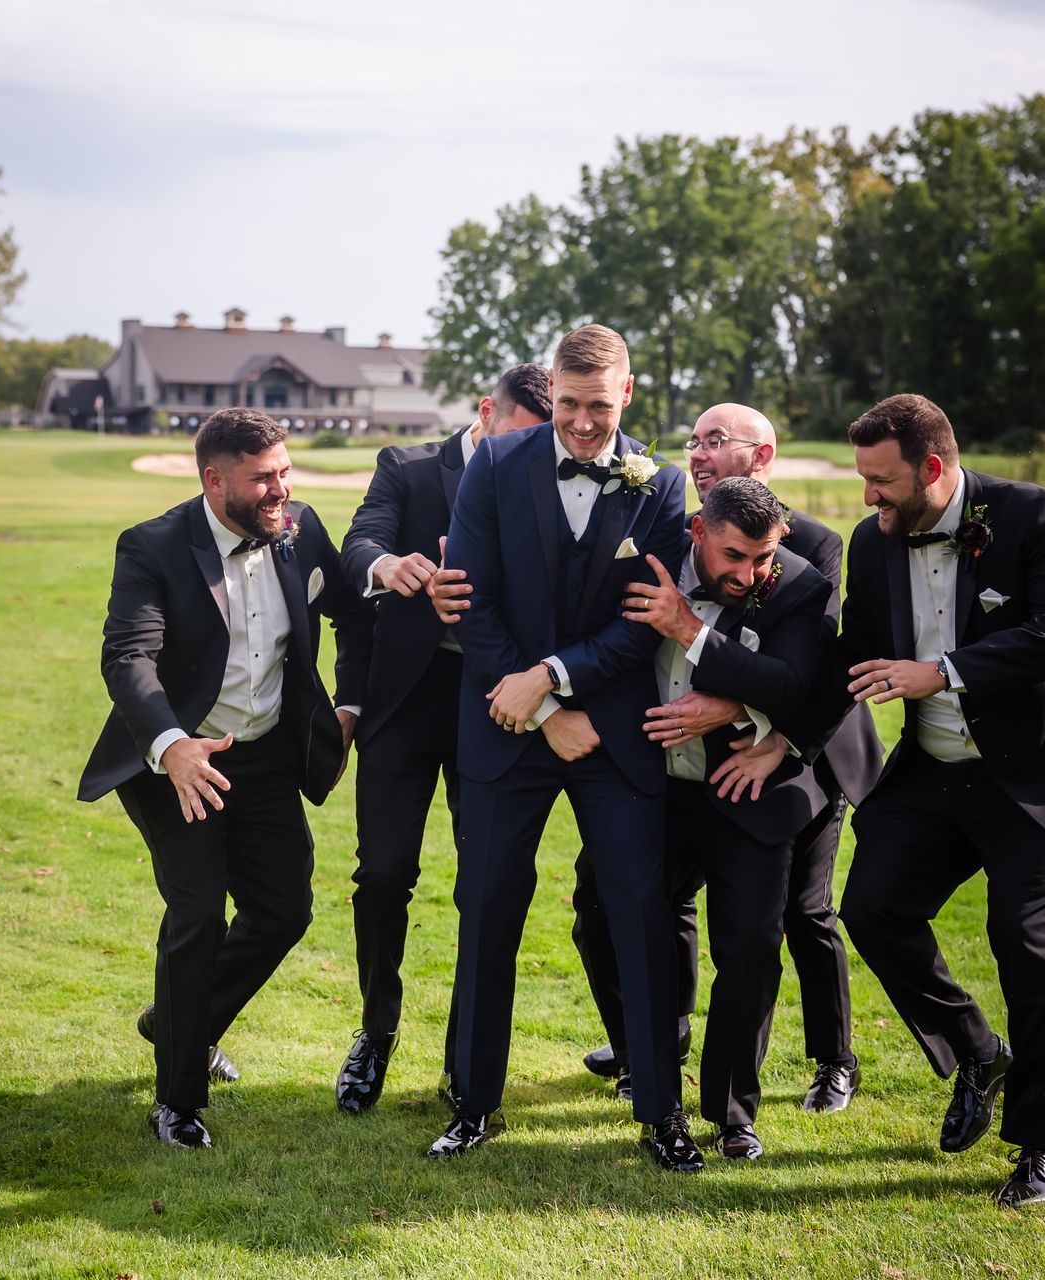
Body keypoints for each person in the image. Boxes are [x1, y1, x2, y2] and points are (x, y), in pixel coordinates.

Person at [829, 393, 1045, 1205]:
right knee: (871, 908)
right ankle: (977, 1049)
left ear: (934, 469)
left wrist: (939, 672)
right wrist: (747, 700)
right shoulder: (871, 546)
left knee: (1026, 947)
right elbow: (853, 654)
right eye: (864, 479)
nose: (869, 496)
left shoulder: (1034, 515)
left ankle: (1041, 1145)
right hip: (934, 770)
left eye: (882, 480)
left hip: (1034, 775)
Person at [429, 324, 703, 1171]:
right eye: (570, 404)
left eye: (600, 406)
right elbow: (472, 603)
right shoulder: (495, 466)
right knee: (486, 909)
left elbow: (641, 624)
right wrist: (542, 709)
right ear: (552, 388)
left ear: (628, 393)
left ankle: (661, 1111)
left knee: (639, 912)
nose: (584, 424)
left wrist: (550, 678)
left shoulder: (661, 486)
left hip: (612, 734)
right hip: (508, 729)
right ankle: (473, 1104)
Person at [78, 408, 372, 1149]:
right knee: (199, 914)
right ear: (214, 481)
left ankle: (177, 1021)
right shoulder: (152, 546)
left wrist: (350, 702)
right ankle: (177, 1102)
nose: (281, 490)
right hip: (177, 764)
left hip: (268, 755)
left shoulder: (299, 526)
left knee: (284, 912)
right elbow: (128, 660)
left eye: (284, 472)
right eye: (261, 479)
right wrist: (173, 744)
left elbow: (352, 616)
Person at [574, 403, 881, 1111]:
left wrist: (736, 704)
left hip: (792, 757)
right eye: (696, 441)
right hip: (668, 777)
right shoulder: (654, 544)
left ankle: (820, 1065)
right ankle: (652, 1045)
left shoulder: (810, 559)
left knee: (791, 920)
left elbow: (806, 676)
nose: (700, 452)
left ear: (762, 455)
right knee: (614, 903)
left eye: (718, 440)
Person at [332, 364, 550, 1113]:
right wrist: (390, 566)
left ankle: (466, 1056)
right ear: (486, 413)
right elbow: (360, 542)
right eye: (520, 437)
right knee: (384, 874)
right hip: (406, 701)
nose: (531, 456)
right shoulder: (410, 467)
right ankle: (374, 1031)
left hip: (495, 701)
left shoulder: (550, 476)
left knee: (484, 885)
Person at [618, 477, 835, 1159]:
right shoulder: (638, 559)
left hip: (744, 787)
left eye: (761, 558)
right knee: (604, 914)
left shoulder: (799, 586)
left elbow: (790, 684)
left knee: (750, 947)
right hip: (648, 791)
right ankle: (649, 1072)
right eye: (734, 556)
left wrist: (691, 634)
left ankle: (733, 1111)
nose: (749, 574)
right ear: (698, 534)